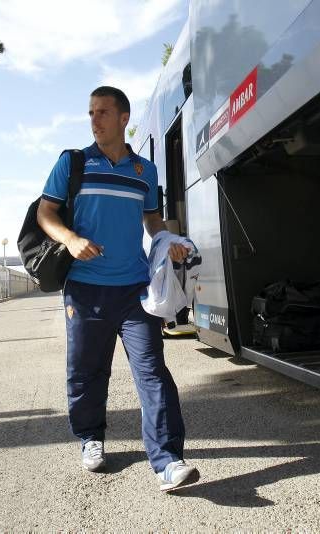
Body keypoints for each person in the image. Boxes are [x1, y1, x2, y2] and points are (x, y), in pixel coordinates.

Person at [37, 86, 199, 491]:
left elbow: (154, 224)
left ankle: (167, 461)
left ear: (124, 118)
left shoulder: (146, 171)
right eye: (91, 112)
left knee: (152, 373)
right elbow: (45, 213)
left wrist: (170, 246)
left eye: (103, 112)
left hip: (135, 291)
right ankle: (91, 438)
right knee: (87, 372)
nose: (94, 120)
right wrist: (70, 239)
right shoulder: (73, 163)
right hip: (84, 289)